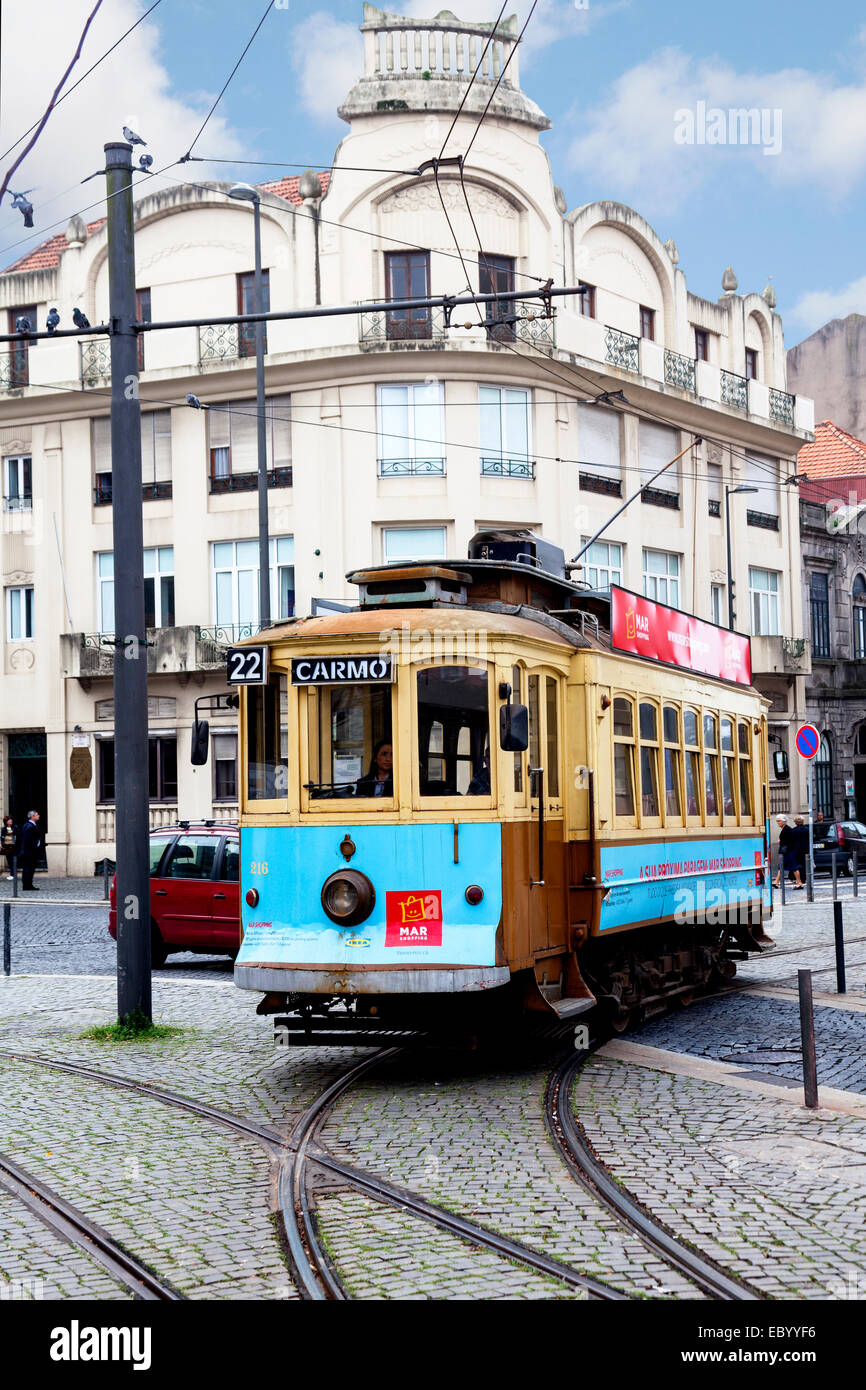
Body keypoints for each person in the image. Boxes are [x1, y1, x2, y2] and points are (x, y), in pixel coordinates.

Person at [773, 814, 802, 890]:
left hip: (789, 852)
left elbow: (788, 841)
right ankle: (776, 881)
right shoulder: (786, 829)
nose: (778, 823)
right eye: (777, 821)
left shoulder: (787, 829)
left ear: (784, 821)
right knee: (781, 866)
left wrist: (780, 842)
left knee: (793, 867)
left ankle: (799, 883)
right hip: (788, 851)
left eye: (779, 821)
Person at [19, 810, 42, 891]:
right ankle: (27, 885)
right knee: (29, 869)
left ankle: (28, 885)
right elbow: (29, 840)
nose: (38, 815)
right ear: (32, 817)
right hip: (30, 852)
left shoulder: (27, 825)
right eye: (37, 814)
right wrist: (35, 846)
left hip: (28, 852)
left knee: (28, 869)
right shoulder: (30, 826)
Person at [791, 813, 810, 890]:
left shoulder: (793, 831)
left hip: (796, 850)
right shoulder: (807, 829)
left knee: (797, 865)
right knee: (804, 864)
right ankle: (803, 878)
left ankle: (798, 880)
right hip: (805, 849)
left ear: (795, 822)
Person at [2, 815, 19, 880]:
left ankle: (13, 874)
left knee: (14, 861)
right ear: (6, 822)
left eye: (11, 820)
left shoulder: (15, 827)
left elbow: (18, 835)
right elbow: (2, 837)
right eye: (9, 820)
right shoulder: (3, 829)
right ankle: (12, 874)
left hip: (14, 847)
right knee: (9, 861)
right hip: (7, 848)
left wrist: (13, 833)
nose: (10, 821)